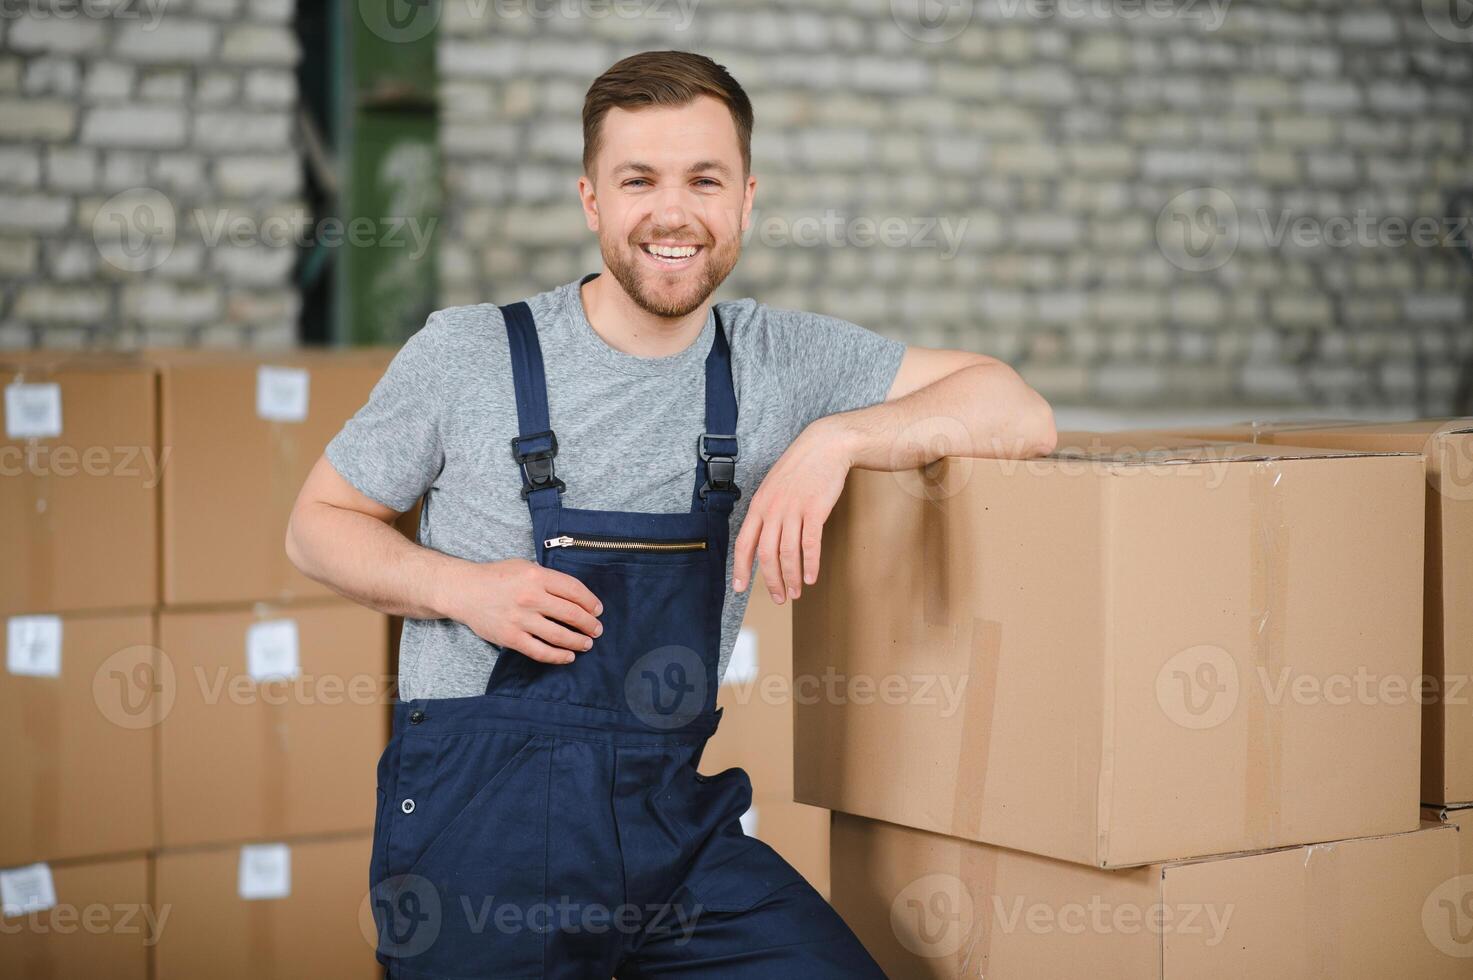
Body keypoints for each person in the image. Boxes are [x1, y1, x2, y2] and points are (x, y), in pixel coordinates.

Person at [286, 49, 1055, 980]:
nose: (673, 212)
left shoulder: (778, 359)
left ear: (744, 199)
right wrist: (461, 590)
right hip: (480, 838)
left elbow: (1015, 408)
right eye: (638, 179)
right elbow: (316, 524)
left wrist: (839, 441)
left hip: (672, 838)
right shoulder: (469, 354)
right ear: (591, 201)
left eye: (704, 179)